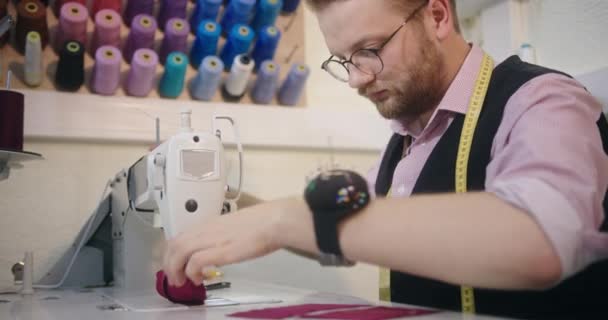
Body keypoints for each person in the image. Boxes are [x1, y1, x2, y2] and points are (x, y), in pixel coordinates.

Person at [163, 0, 608, 318]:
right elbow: (343, 234)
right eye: (343, 60)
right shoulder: (407, 139)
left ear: (437, 15)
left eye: (369, 49)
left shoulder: (544, 100)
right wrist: (233, 202)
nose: (356, 78)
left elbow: (542, 239)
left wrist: (287, 219)